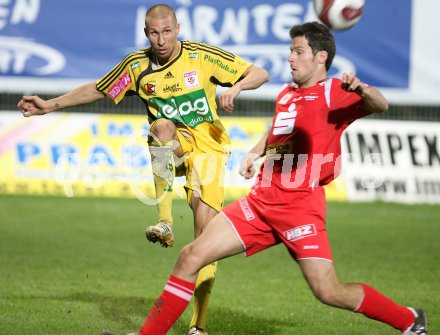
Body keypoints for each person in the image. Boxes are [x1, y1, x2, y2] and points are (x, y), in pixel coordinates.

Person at [135, 22, 428, 335]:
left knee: (328, 291)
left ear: (320, 58)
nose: (290, 58)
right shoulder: (288, 94)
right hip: (261, 202)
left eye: (298, 51)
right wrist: (255, 152)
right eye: (290, 51)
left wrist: (361, 89)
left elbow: (381, 104)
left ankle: (409, 320)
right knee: (191, 255)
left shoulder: (334, 92)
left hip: (300, 207)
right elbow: (280, 128)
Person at [17, 4, 269, 335]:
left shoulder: (200, 56)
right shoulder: (136, 67)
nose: (161, 39)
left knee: (205, 240)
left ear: (177, 28)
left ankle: (199, 326)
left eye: (167, 31)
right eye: (154, 32)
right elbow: (98, 89)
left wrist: (235, 87)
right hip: (175, 144)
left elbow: (259, 73)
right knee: (161, 127)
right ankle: (164, 221)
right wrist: (49, 105)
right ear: (146, 33)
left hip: (209, 149)